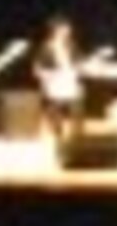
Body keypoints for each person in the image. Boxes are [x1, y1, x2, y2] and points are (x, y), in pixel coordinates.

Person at [33, 15, 84, 143]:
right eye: (65, 28)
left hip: (69, 80)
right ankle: (57, 135)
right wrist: (48, 77)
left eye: (68, 28)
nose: (69, 30)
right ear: (57, 30)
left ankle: (77, 135)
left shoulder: (71, 46)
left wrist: (80, 68)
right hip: (54, 82)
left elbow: (79, 63)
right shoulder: (46, 47)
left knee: (78, 102)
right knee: (55, 107)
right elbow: (37, 68)